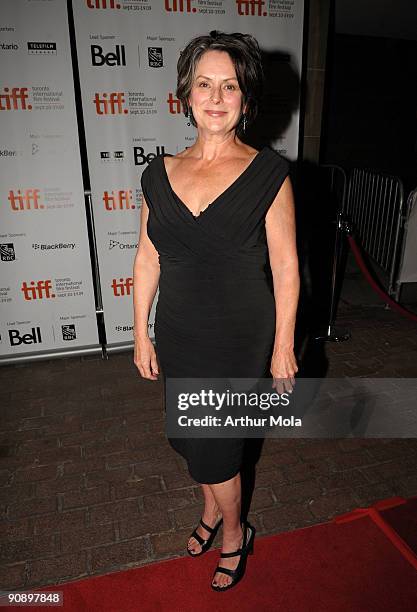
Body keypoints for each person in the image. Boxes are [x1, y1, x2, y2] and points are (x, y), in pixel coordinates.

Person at [133, 30, 299, 591]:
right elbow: (147, 259)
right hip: (179, 333)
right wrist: (140, 334)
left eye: (230, 86)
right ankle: (210, 513)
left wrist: (282, 349)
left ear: (246, 100)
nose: (216, 95)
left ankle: (235, 533)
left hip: (238, 339)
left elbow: (286, 269)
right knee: (189, 441)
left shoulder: (269, 175)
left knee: (218, 452)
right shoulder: (158, 174)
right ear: (186, 94)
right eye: (204, 83)